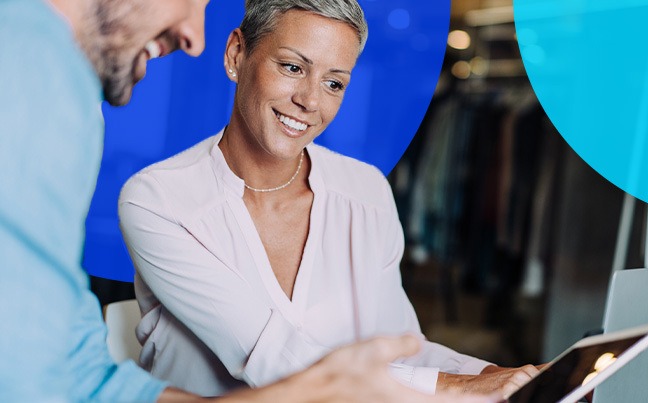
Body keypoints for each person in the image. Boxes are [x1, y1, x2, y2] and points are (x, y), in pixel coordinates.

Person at [0, 0, 501, 402]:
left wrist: (502, 377)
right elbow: (274, 357)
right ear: (237, 55)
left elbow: (400, 348)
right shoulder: (156, 197)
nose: (311, 100)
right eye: (291, 67)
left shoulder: (366, 190)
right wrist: (456, 389)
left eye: (334, 83)